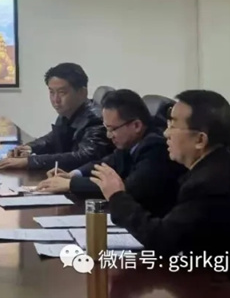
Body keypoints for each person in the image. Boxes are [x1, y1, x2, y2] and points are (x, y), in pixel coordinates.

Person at [91, 90, 230, 297]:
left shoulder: (211, 182)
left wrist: (117, 196)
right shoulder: (223, 166)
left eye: (173, 125)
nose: (166, 133)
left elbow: (163, 240)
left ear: (200, 140)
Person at [37, 89, 185, 216]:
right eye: (106, 128)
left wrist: (71, 184)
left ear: (136, 125)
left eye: (113, 129)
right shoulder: (131, 143)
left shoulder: (156, 147)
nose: (109, 135)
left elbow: (126, 188)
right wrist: (74, 174)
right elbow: (107, 163)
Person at [0, 63, 111, 171]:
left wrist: (29, 162)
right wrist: (29, 148)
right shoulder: (68, 113)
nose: (56, 100)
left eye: (62, 93)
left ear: (82, 92)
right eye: (52, 92)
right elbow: (53, 139)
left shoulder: (97, 120)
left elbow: (83, 157)